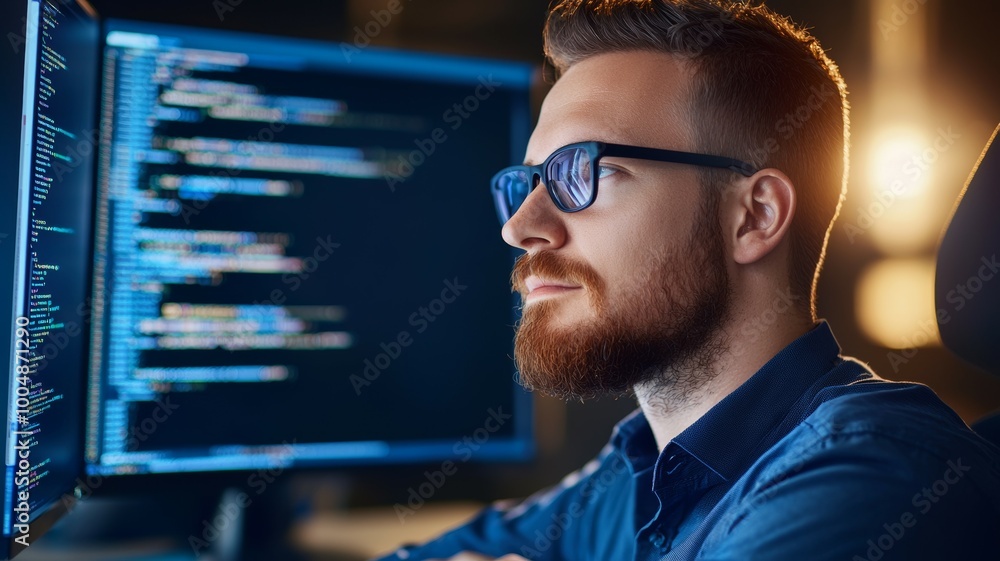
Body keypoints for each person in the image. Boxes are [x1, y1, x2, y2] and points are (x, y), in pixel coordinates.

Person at [375, 1, 1000, 559]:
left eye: (579, 172)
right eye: (529, 181)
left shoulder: (876, 473)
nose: (520, 227)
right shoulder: (643, 471)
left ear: (754, 216)